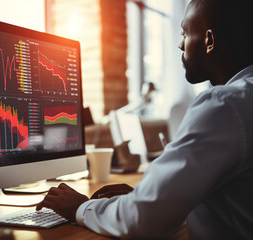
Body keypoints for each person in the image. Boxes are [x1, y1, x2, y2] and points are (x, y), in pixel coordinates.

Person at [36, 0, 253, 238]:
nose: (180, 44)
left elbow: (141, 221)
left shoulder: (224, 105)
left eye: (185, 33)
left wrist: (80, 207)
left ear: (209, 41)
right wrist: (154, 196)